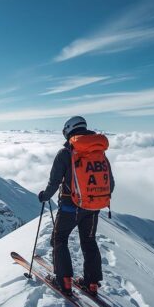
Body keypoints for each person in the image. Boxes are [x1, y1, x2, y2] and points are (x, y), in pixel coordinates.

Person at [38, 116, 114, 297]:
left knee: (59, 239)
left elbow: (54, 181)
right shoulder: (100, 153)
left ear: (68, 131)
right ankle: (92, 283)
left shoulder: (65, 153)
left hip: (70, 208)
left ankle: (64, 281)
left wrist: (44, 196)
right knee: (89, 242)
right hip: (93, 207)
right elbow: (110, 183)